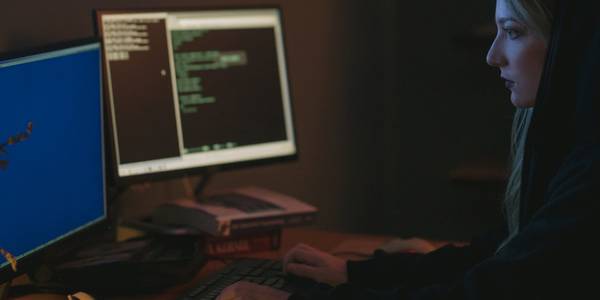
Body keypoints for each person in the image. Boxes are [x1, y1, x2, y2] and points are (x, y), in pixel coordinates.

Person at [218, 0, 600, 298]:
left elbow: (487, 293)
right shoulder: (570, 142)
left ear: (573, 44)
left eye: (513, 32)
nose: (492, 55)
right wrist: (352, 273)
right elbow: (503, 254)